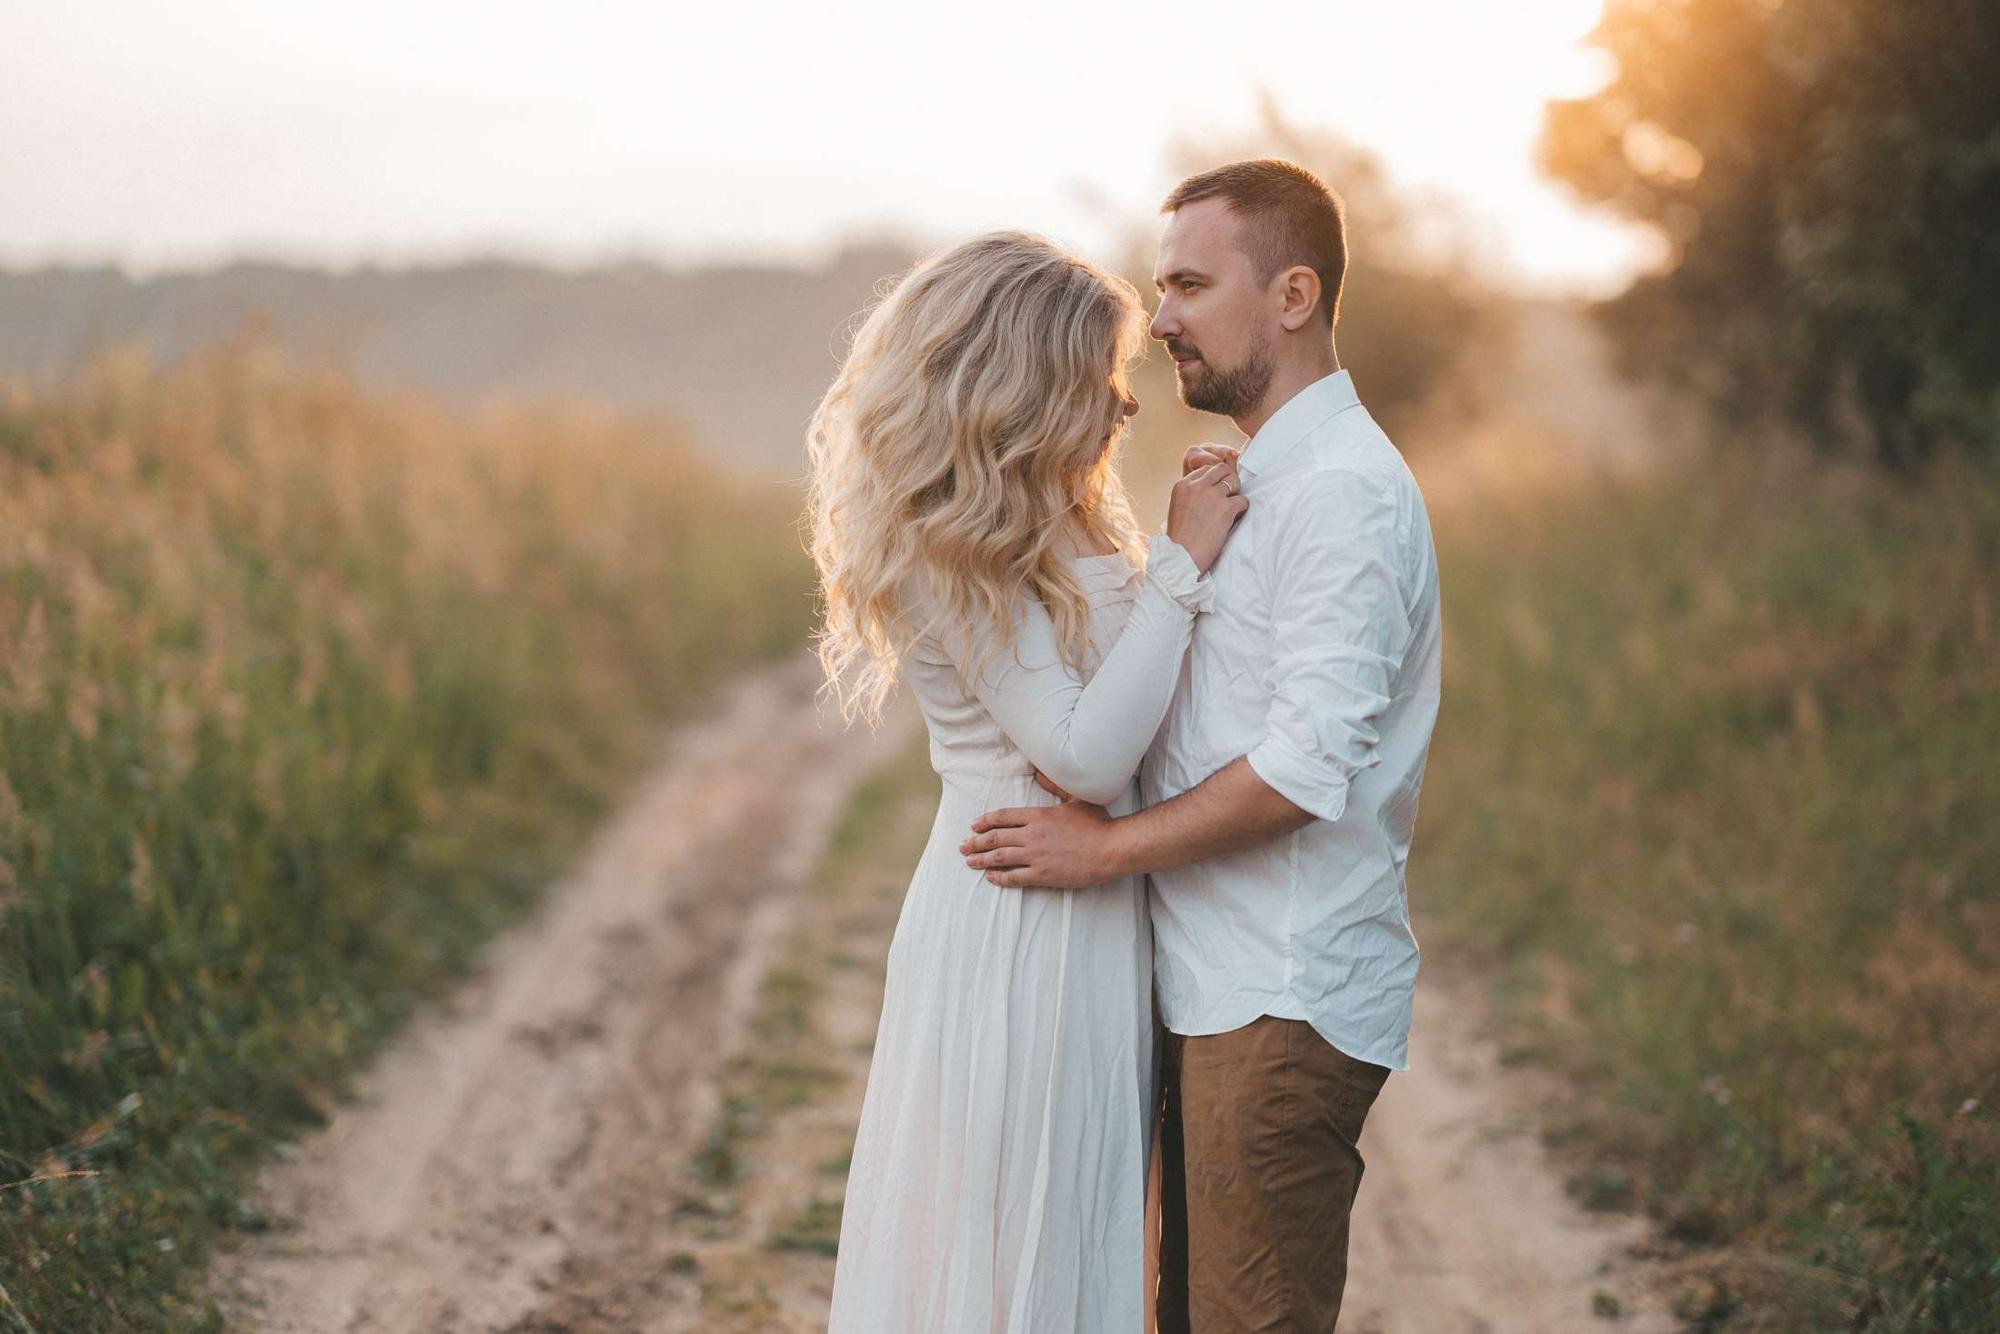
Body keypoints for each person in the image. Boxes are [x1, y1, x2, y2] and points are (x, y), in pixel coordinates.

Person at [959, 159, 1444, 1332]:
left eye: (1185, 283)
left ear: (1290, 295)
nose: (1159, 317)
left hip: (1277, 999)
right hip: (1215, 991)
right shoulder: (1260, 479)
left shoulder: (1341, 495)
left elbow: (1299, 766)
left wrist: (1101, 849)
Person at [807, 230, 1248, 1333]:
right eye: (1101, 378)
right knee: (1012, 1220)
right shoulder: (946, 541)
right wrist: (1182, 565)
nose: (1127, 404)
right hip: (1015, 924)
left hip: (1094, 910)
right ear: (1025, 384)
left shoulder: (1067, 505)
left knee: (1080, 1207)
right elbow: (1084, 755)